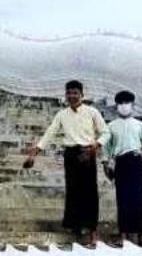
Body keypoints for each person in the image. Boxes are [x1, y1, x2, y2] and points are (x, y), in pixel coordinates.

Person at [23, 79, 107, 246]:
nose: (72, 96)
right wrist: (36, 152)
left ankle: (92, 230)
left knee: (90, 192)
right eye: (69, 93)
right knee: (73, 190)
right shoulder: (62, 114)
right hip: (70, 154)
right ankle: (74, 226)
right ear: (66, 95)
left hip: (87, 152)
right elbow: (50, 133)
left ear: (82, 95)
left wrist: (96, 145)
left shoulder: (92, 112)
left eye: (75, 93)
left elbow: (106, 132)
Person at [100, 89, 142, 247]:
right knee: (122, 198)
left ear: (132, 105)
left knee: (139, 197)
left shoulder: (140, 125)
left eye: (127, 103)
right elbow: (106, 149)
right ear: (117, 106)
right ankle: (122, 234)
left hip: (136, 162)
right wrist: (106, 165)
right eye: (121, 103)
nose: (124, 106)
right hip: (121, 163)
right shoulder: (110, 126)